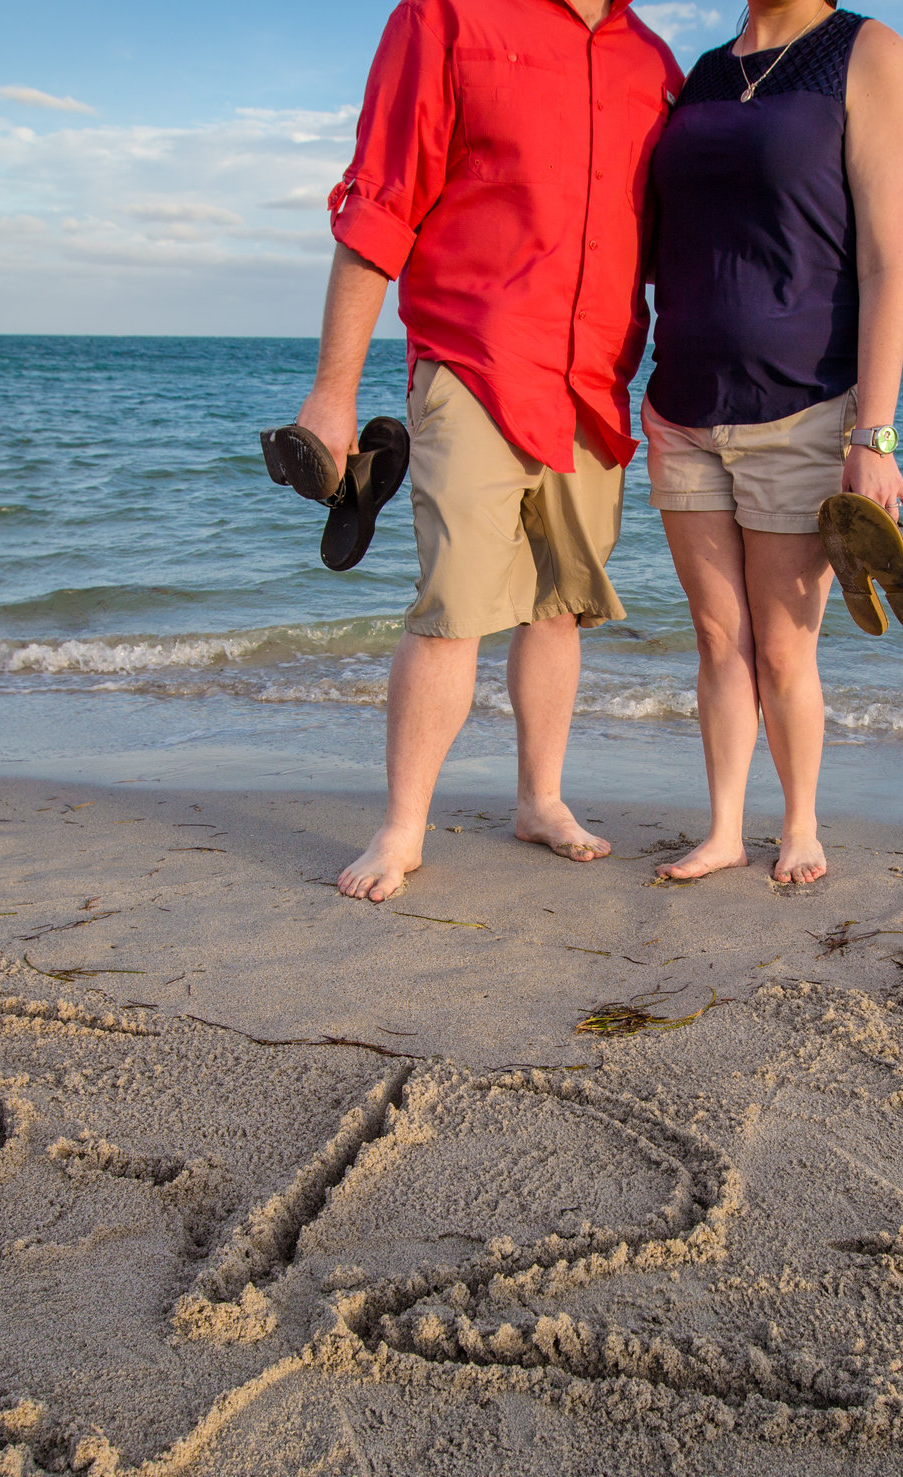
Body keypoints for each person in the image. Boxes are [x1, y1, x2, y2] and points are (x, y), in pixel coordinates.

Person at [288, 0, 684, 902]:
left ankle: (539, 799)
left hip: (594, 381)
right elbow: (380, 203)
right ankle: (403, 826)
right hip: (474, 361)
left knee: (559, 605)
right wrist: (333, 392)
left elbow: (663, 244)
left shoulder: (651, 63)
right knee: (455, 605)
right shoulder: (447, 16)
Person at [641, 1, 903, 885]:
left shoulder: (863, 52)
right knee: (716, 638)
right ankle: (725, 827)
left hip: (803, 407)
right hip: (682, 405)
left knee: (781, 646)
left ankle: (799, 824)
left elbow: (887, 262)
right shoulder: (704, 72)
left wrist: (874, 435)